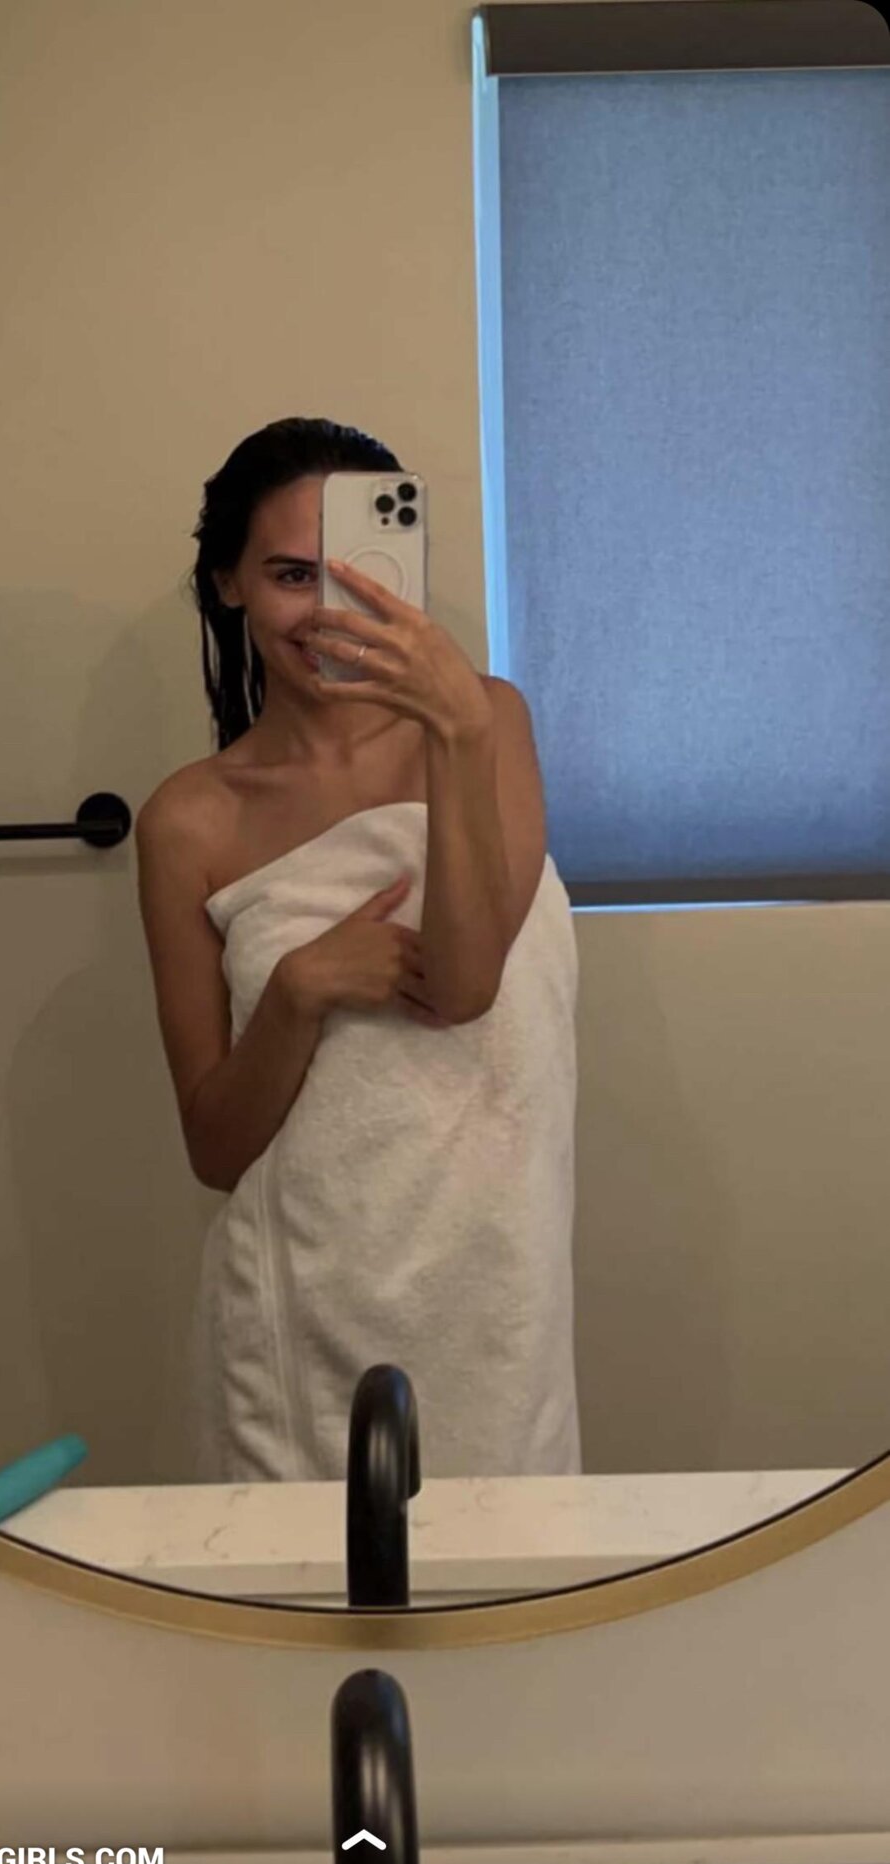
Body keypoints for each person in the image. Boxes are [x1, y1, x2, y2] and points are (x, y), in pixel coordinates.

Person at [135, 416, 581, 1483]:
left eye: (357, 573)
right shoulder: (190, 820)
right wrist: (298, 989)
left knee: (514, 1569)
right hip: (295, 1313)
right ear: (229, 582)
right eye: (292, 574)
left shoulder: (489, 722)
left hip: (493, 1289)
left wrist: (454, 731)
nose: (329, 609)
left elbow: (463, 981)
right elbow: (213, 1148)